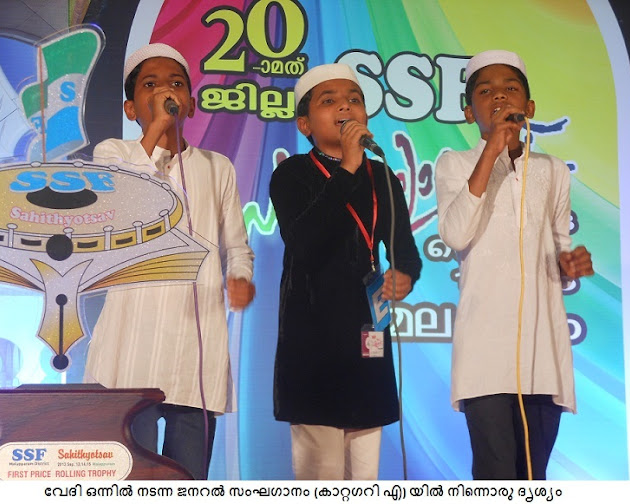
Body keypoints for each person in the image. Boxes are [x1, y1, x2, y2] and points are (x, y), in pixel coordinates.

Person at [84, 43, 255, 479]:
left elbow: (237, 246)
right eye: (151, 85)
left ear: (191, 104)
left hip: (195, 354)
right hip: (130, 357)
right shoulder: (113, 154)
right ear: (130, 108)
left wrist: (240, 276)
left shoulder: (218, 167)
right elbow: (126, 200)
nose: (166, 91)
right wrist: (158, 128)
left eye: (176, 84)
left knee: (187, 482)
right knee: (126, 481)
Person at [435, 50, 594, 480]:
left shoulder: (552, 170)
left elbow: (558, 247)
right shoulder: (454, 163)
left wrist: (569, 263)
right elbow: (456, 234)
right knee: (495, 475)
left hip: (542, 349)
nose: (500, 96)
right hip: (484, 350)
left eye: (510, 88)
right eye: (486, 91)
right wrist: (492, 152)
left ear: (530, 107)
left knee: (533, 478)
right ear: (469, 112)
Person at [270, 63, 422, 480]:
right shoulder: (292, 174)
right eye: (330, 100)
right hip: (313, 343)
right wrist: (348, 168)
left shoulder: (382, 175)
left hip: (368, 337)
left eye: (355, 99)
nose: (345, 107)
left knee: (364, 475)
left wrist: (405, 275)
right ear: (305, 124)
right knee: (323, 476)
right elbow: (304, 242)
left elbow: (405, 251)